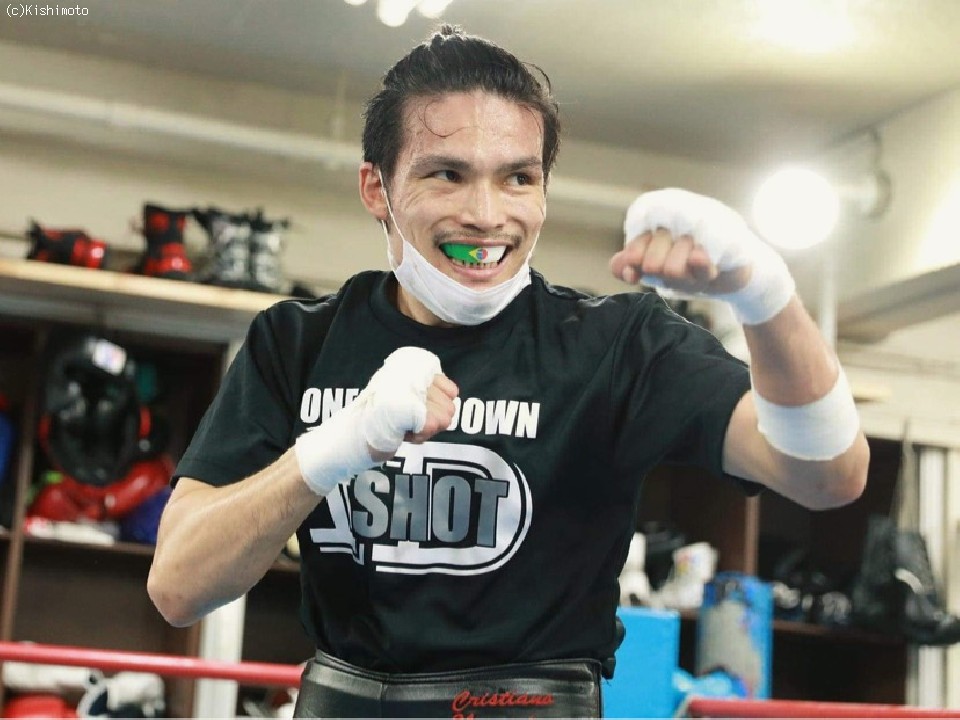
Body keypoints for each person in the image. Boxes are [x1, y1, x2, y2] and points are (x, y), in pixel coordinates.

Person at [147, 25, 869, 718]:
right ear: (376, 189)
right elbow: (178, 587)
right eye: (447, 174)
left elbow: (828, 475)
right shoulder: (297, 342)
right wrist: (336, 447)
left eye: (518, 178)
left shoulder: (617, 345)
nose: (486, 215)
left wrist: (763, 293)